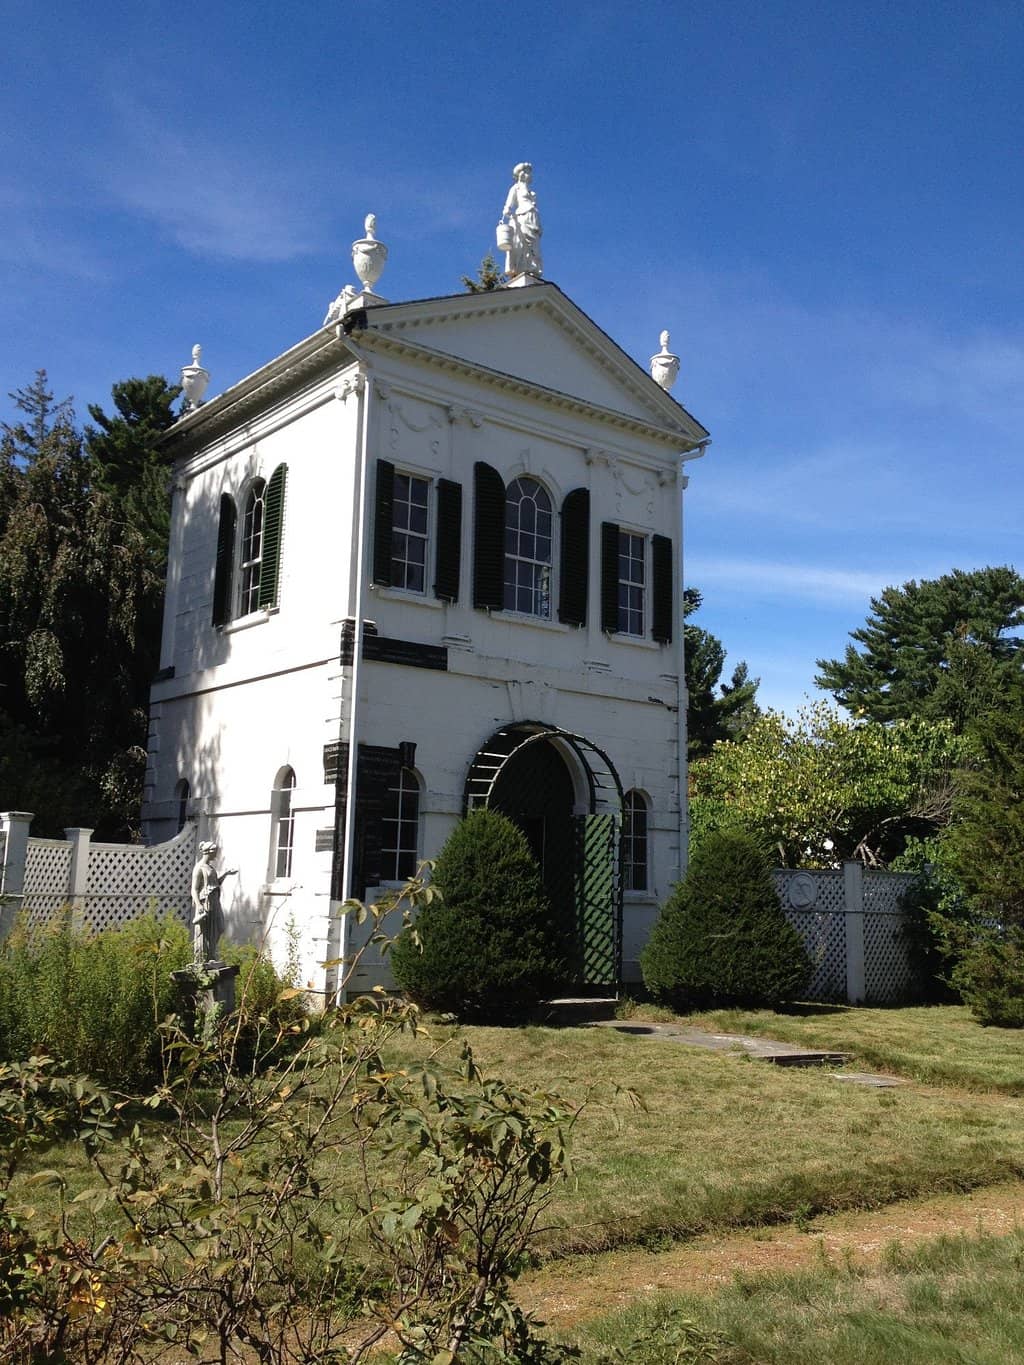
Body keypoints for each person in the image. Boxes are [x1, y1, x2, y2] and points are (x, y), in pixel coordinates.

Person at [190, 841, 237, 964]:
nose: (216, 855)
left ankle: (211, 954)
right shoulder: (199, 868)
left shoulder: (210, 867)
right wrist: (199, 905)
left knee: (219, 927)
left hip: (215, 901)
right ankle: (205, 958)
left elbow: (215, 883)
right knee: (206, 931)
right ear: (209, 852)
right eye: (215, 852)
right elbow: (194, 889)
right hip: (206, 902)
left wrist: (226, 874)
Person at [501, 162, 543, 277]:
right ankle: (521, 269)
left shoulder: (531, 191)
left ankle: (532, 268)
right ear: (522, 174)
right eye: (529, 173)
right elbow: (508, 206)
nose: (531, 175)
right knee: (520, 244)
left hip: (532, 218)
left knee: (534, 245)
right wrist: (507, 212)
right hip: (522, 218)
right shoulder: (516, 188)